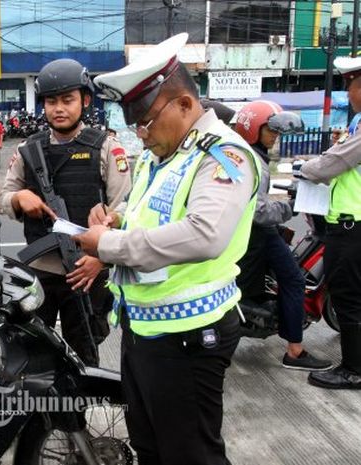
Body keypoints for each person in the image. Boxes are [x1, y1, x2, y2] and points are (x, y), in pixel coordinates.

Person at [74, 33, 261, 464]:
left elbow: (204, 234)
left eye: (146, 121)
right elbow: (149, 213)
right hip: (143, 329)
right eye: (133, 124)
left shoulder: (222, 155)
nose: (141, 134)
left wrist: (110, 244)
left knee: (191, 454)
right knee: (150, 447)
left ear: (183, 104)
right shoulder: (161, 155)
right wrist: (116, 219)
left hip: (190, 335)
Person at [0, 58, 132, 366]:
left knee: (82, 359)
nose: (59, 108)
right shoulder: (27, 150)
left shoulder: (107, 148)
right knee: (36, 356)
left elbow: (128, 206)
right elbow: (5, 198)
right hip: (41, 271)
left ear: (84, 101)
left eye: (67, 100)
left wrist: (102, 253)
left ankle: (77, 415)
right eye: (51, 101)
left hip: (86, 272)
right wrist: (20, 198)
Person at [234, 100, 331, 371]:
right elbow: (259, 210)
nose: (275, 137)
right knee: (294, 281)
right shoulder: (254, 161)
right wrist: (290, 207)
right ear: (253, 128)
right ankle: (294, 352)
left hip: (249, 233)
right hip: (259, 233)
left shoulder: (247, 155)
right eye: (271, 130)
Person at [298, 56, 361, 390]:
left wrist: (305, 169)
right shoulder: (357, 122)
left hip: (353, 228)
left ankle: (353, 369)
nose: (348, 91)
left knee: (349, 299)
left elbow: (334, 163)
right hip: (351, 224)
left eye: (351, 83)